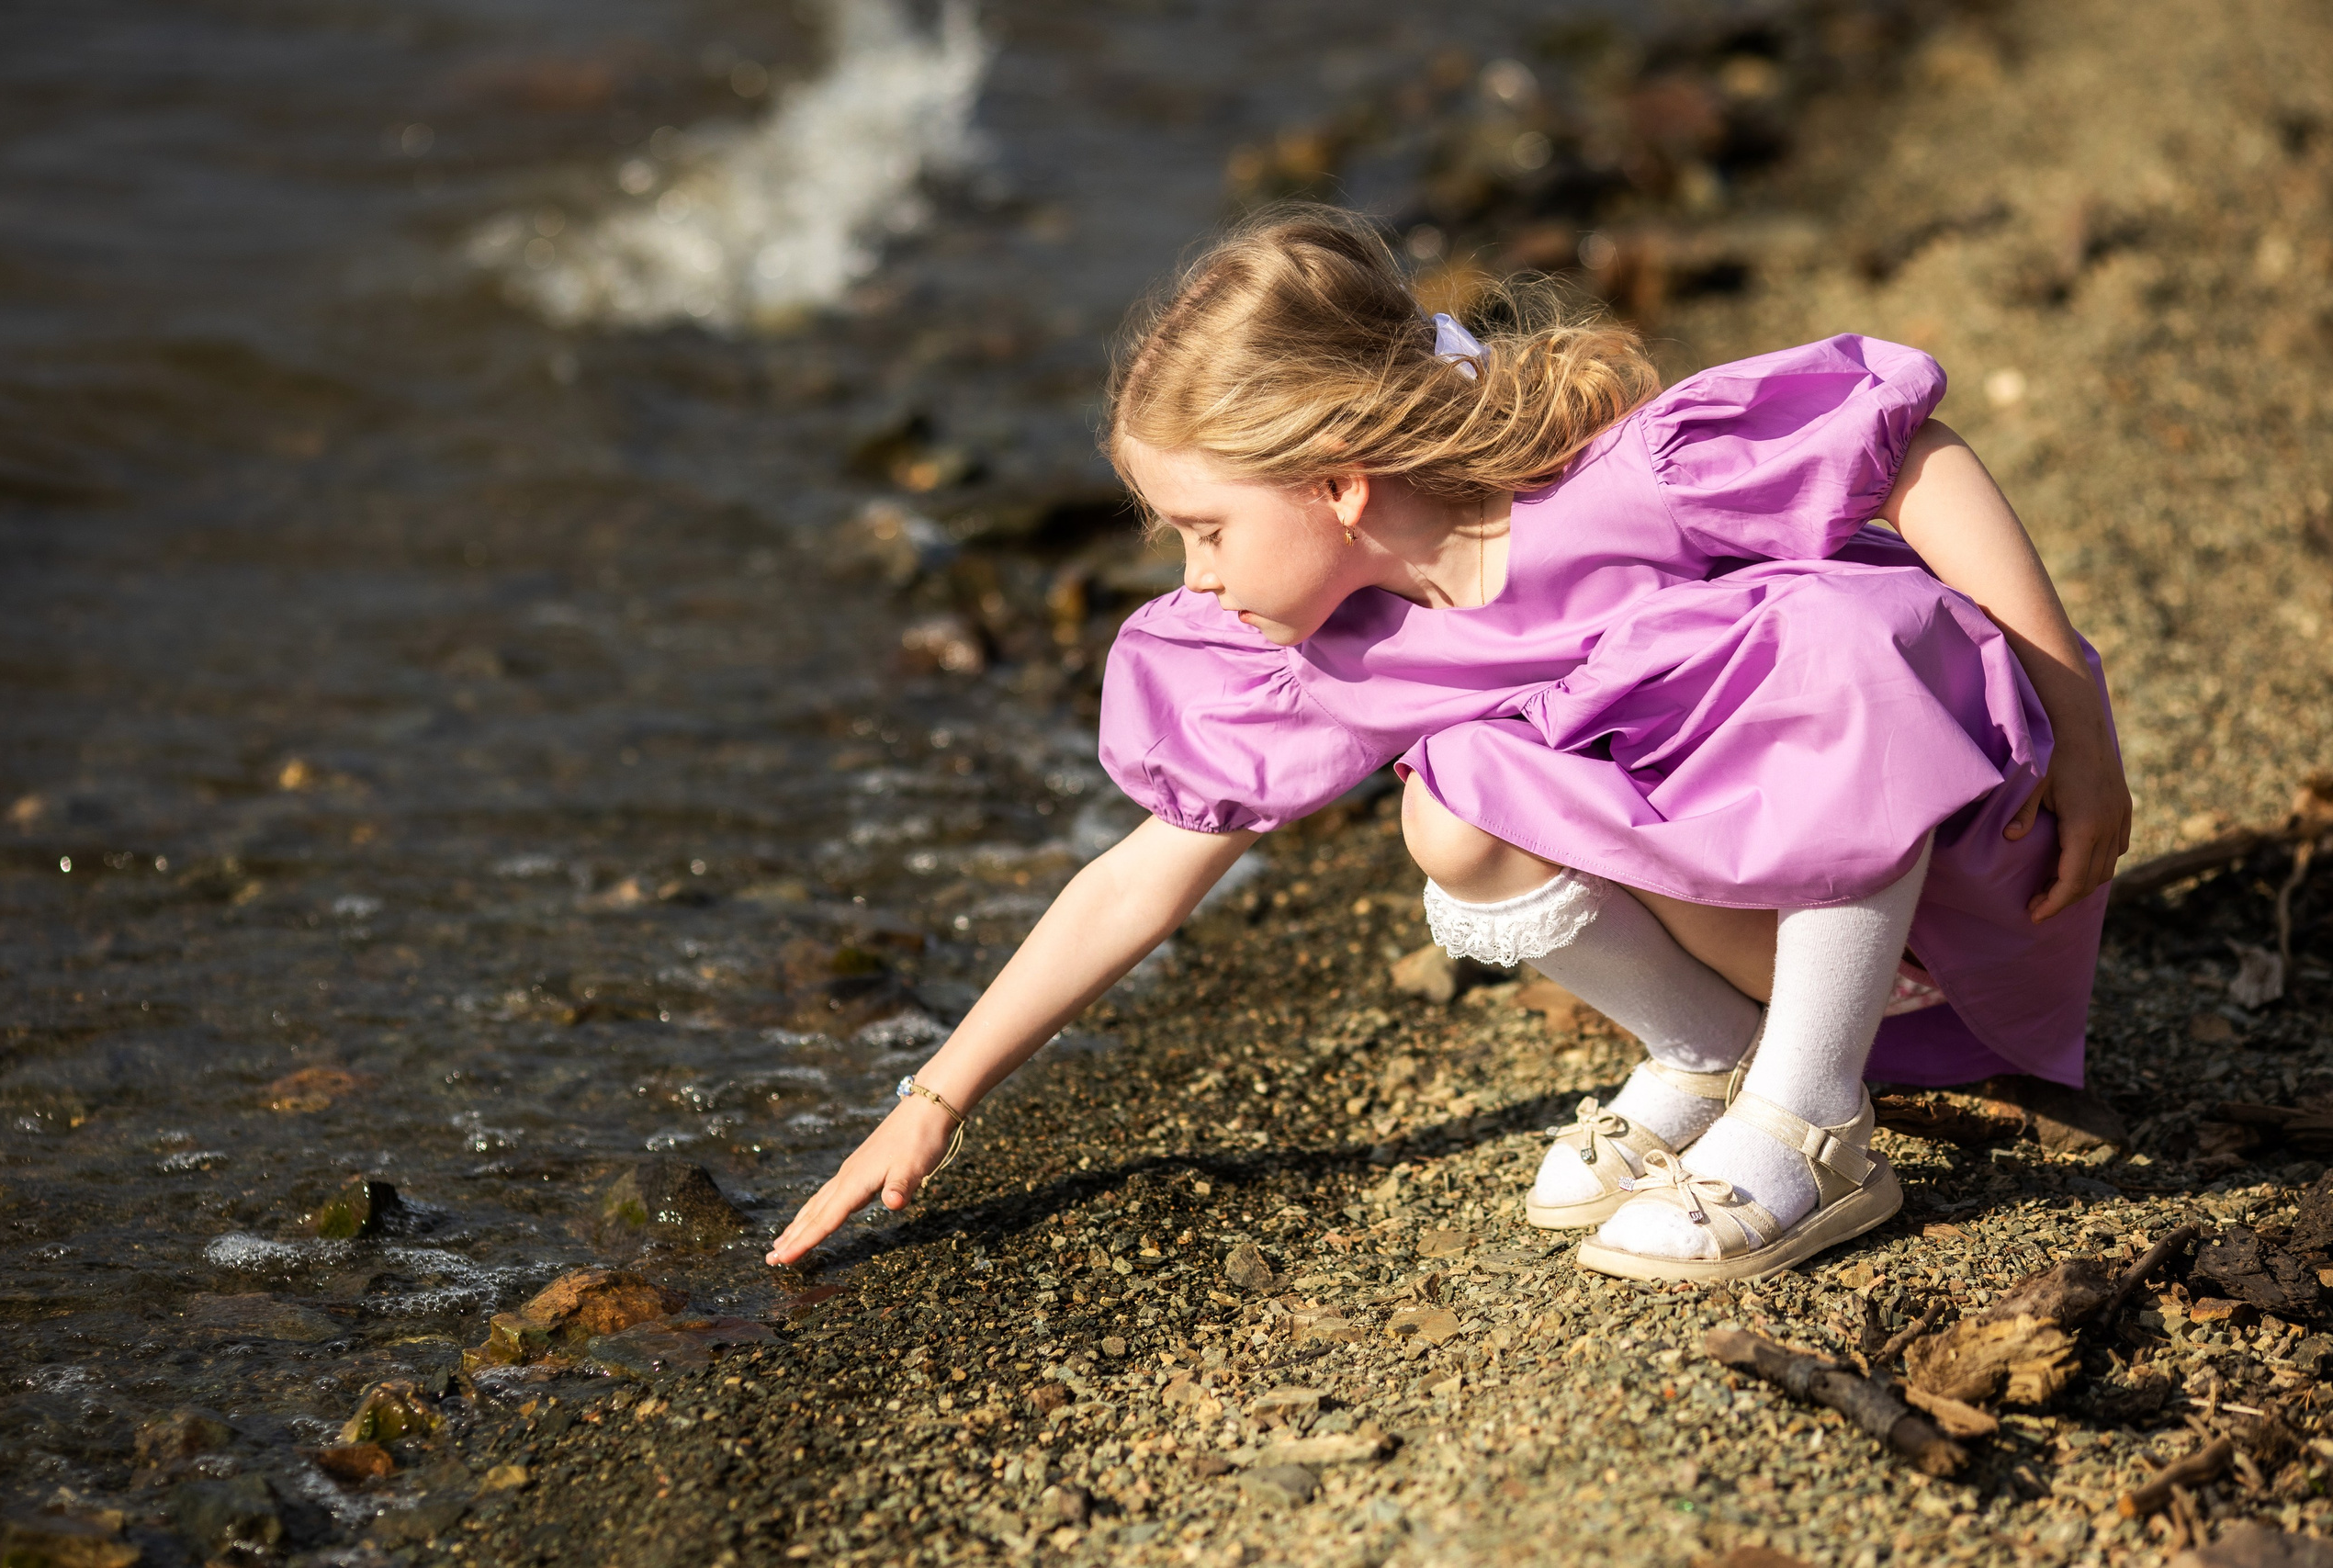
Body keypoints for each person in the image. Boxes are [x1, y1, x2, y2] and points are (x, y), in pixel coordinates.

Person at [766, 205, 2130, 1282]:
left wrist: (2077, 720)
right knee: (1456, 801)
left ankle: (1814, 1127)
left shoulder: (1628, 484)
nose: (1191, 579)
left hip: (1969, 891)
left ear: (1341, 486)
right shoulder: (1336, 658)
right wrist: (937, 1096)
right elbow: (1136, 877)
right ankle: (1719, 1058)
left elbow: (1907, 451)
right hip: (1787, 946)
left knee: (1823, 629)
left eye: (1207, 529)